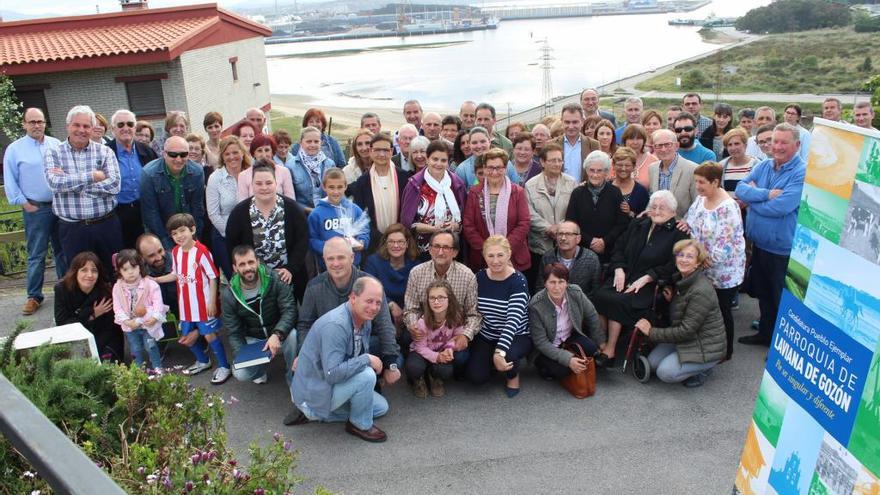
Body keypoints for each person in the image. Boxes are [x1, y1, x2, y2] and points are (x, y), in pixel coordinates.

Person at [591, 191, 689, 361]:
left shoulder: (679, 233)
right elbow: (619, 248)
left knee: (619, 300)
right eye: (654, 207)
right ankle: (602, 343)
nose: (657, 211)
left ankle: (610, 350)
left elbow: (674, 264)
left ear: (673, 212)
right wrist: (619, 268)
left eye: (662, 208)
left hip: (650, 284)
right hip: (625, 276)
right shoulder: (639, 223)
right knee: (599, 295)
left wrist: (649, 277)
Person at [290, 276, 390, 442]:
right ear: (353, 298)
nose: (374, 307)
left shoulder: (363, 317)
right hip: (316, 387)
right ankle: (359, 424)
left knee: (381, 408)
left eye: (378, 302)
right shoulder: (336, 325)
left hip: (330, 384)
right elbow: (332, 374)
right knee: (367, 375)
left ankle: (319, 414)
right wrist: (366, 359)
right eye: (369, 301)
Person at [295, 238, 402, 391]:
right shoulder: (314, 286)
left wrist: (391, 362)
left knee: (397, 359)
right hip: (332, 346)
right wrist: (303, 353)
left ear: (352, 257)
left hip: (364, 343)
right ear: (323, 260)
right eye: (330, 258)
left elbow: (384, 324)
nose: (336, 263)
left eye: (341, 257)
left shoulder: (370, 284)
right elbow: (305, 324)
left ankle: (369, 381)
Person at [736, 124, 806, 346]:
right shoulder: (765, 165)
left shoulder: (802, 172)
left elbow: (782, 207)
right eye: (774, 141)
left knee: (781, 300)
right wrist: (766, 194)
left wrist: (752, 203)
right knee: (764, 296)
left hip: (781, 249)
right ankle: (765, 334)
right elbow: (740, 189)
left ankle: (781, 347)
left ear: (797, 145)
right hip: (760, 244)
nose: (777, 146)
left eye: (783, 142)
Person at [634, 239, 726, 387]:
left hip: (705, 346)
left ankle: (705, 368)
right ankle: (683, 361)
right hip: (687, 339)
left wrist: (650, 332)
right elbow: (681, 313)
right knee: (652, 363)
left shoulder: (700, 291)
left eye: (689, 256)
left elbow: (686, 331)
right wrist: (672, 300)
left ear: (698, 263)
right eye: (680, 255)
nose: (683, 259)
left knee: (664, 373)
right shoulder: (682, 281)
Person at [45, 105, 122, 276]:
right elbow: (54, 183)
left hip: (106, 225)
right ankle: (86, 305)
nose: (81, 130)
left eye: (86, 126)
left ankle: (114, 303)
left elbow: (115, 185)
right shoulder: (53, 152)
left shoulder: (105, 151)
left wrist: (71, 180)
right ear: (68, 126)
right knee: (79, 277)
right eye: (76, 125)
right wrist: (93, 176)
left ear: (92, 128)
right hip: (73, 229)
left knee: (113, 273)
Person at [3, 108, 67, 315]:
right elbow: (10, 179)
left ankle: (65, 290)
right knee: (37, 254)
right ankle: (34, 296)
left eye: (40, 121)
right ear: (24, 124)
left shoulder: (55, 144)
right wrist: (23, 203)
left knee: (62, 251)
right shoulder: (15, 149)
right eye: (32, 122)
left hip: (59, 206)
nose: (37, 125)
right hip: (35, 207)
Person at [153, 213, 230, 384]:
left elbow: (212, 277)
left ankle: (225, 366)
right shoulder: (174, 252)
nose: (179, 236)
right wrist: (157, 279)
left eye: (182, 231)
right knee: (186, 337)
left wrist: (211, 301)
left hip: (203, 305)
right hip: (185, 307)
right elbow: (175, 274)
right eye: (174, 233)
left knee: (210, 336)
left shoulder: (202, 252)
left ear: (193, 229)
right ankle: (204, 361)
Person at [684, 162, 746, 361]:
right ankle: (707, 344)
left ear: (715, 182)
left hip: (722, 270)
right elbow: (690, 219)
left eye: (701, 182)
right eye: (696, 181)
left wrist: (705, 259)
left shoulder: (728, 207)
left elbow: (726, 242)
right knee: (706, 308)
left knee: (721, 310)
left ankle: (725, 351)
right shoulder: (702, 199)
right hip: (701, 265)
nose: (697, 186)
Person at [225, 162, 309, 303]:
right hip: (254, 278)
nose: (264, 187)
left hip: (287, 276)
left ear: (276, 183)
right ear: (252, 185)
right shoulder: (239, 212)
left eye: (268, 182)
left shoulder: (292, 209)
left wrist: (291, 269)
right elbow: (232, 244)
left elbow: (302, 240)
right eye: (258, 183)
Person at [402, 231, 481, 371]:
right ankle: (422, 368)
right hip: (425, 328)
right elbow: (411, 309)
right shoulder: (416, 272)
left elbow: (473, 314)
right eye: (436, 246)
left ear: (455, 252)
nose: (440, 252)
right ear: (430, 249)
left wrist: (465, 335)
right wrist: (413, 326)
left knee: (461, 358)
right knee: (408, 341)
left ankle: (437, 372)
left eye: (446, 247)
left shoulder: (467, 275)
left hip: (451, 331)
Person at [222, 245, 298, 385]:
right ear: (235, 268)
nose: (248, 268)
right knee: (241, 373)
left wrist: (277, 334)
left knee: (293, 335)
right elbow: (233, 332)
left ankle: (293, 376)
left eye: (251, 262)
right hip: (253, 338)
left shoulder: (275, 278)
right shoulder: (229, 294)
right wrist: (243, 357)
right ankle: (260, 369)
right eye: (242, 264)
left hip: (278, 333)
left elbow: (289, 310)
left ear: (257, 262)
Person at [466, 236, 532, 397]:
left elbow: (512, 322)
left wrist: (499, 352)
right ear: (484, 256)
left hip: (516, 335)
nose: (495, 261)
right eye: (491, 256)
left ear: (509, 254)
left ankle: (513, 376)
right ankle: (494, 363)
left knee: (507, 354)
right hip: (488, 334)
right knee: (476, 378)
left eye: (500, 255)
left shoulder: (518, 281)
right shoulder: (479, 277)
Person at [530, 263, 608, 380]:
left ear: (567, 282)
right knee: (563, 370)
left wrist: (602, 343)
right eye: (552, 282)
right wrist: (568, 359)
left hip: (568, 338)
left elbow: (591, 315)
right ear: (545, 283)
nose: (557, 287)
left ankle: (573, 359)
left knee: (591, 348)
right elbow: (541, 342)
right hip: (548, 347)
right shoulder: (536, 305)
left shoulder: (575, 292)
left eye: (561, 282)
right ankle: (542, 366)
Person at [463, 149, 531, 272]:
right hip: (483, 258)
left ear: (505, 169)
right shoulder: (475, 192)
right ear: (484, 168)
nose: (494, 172)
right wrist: (488, 250)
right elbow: (469, 225)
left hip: (513, 257)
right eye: (490, 168)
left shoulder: (518, 192)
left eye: (499, 168)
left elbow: (523, 223)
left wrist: (503, 251)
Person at [139, 136, 206, 250]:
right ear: (164, 154)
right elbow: (151, 214)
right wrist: (167, 245)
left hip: (187, 229)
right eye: (173, 155)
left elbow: (197, 208)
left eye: (183, 154)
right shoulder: (149, 173)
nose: (178, 159)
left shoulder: (197, 172)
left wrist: (193, 237)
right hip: (161, 230)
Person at [54, 252, 123, 362]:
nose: (89, 275)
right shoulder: (62, 289)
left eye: (94, 270)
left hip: (104, 339)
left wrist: (94, 351)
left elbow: (111, 329)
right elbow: (62, 324)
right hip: (75, 338)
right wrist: (92, 314)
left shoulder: (105, 292)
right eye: (84, 270)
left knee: (107, 365)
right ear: (75, 272)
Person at [401, 141, 467, 255]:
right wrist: (433, 229)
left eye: (443, 160)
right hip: (423, 249)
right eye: (435, 159)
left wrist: (456, 225)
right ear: (427, 159)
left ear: (448, 162)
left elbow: (464, 217)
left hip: (452, 248)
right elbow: (407, 223)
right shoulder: (415, 185)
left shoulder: (457, 184)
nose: (439, 164)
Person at [347, 133, 410, 252]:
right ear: (370, 151)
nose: (381, 154)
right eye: (377, 150)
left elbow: (408, 212)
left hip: (401, 242)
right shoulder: (362, 182)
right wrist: (382, 239)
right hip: (374, 245)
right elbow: (362, 217)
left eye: (385, 150)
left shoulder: (404, 178)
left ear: (391, 151)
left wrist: (396, 238)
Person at [565, 150, 630, 263]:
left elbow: (622, 223)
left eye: (599, 171)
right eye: (591, 170)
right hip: (582, 251)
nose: (595, 174)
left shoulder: (615, 192)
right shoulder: (577, 193)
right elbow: (571, 222)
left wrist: (604, 241)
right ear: (586, 170)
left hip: (609, 251)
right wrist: (590, 241)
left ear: (606, 172)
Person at [525, 143, 577, 282]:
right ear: (542, 162)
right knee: (541, 281)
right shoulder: (530, 185)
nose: (557, 163)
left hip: (566, 244)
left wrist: (560, 228)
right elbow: (529, 213)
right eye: (552, 160)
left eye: (559, 160)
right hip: (540, 245)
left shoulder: (571, 182)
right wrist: (548, 228)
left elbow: (574, 210)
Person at [406, 280, 467, 398]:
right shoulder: (422, 322)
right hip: (421, 352)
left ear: (449, 299)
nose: (436, 301)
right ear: (427, 301)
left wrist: (449, 349)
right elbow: (420, 348)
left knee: (446, 371)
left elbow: (456, 337)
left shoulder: (456, 317)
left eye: (441, 297)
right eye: (432, 298)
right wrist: (437, 357)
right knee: (413, 367)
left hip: (441, 350)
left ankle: (435, 377)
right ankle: (418, 379)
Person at [107, 109, 157, 249]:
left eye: (130, 124)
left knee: (148, 251)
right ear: (113, 129)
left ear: (135, 128)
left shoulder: (147, 151)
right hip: (118, 214)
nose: (126, 128)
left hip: (145, 211)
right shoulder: (105, 153)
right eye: (120, 125)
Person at [112, 249, 166, 371]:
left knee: (150, 346)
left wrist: (154, 317)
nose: (130, 272)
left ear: (139, 267)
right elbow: (117, 307)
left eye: (133, 267)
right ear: (119, 271)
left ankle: (157, 367)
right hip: (131, 325)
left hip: (147, 323)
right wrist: (126, 321)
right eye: (125, 269)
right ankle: (139, 369)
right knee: (135, 348)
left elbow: (158, 303)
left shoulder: (150, 284)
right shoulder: (118, 287)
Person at [206, 136, 250, 280]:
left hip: (251, 234)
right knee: (235, 278)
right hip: (224, 235)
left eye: (235, 152)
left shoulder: (251, 173)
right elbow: (213, 214)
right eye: (227, 154)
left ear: (242, 153)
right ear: (222, 157)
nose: (232, 157)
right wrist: (232, 234)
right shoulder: (215, 178)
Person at [308, 168, 370, 269]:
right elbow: (311, 239)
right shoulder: (316, 214)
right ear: (324, 187)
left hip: (352, 265)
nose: (336, 192)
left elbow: (364, 231)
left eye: (340, 187)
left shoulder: (355, 209)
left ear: (345, 186)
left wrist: (362, 242)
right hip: (328, 267)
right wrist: (329, 247)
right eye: (331, 187)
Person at [363, 224, 419, 329]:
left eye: (400, 242)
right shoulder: (373, 262)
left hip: (409, 316)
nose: (396, 246)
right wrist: (391, 304)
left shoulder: (416, 266)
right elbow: (369, 291)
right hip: (379, 313)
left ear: (407, 244)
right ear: (386, 243)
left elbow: (417, 298)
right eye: (391, 242)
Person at [535, 221, 602, 296]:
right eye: (560, 234)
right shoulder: (547, 257)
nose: (563, 238)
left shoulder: (591, 259)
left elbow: (596, 290)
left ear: (578, 238)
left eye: (568, 234)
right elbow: (540, 287)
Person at [647, 129, 698, 219]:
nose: (663, 149)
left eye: (667, 144)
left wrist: (686, 221)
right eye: (659, 146)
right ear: (654, 148)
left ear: (677, 146)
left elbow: (698, 203)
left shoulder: (693, 169)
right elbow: (653, 198)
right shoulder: (652, 168)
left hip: (680, 225)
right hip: (657, 223)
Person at [286, 126, 337, 214]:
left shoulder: (330, 164)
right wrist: (310, 211)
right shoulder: (291, 166)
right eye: (309, 142)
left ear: (321, 142)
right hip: (301, 215)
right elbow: (290, 199)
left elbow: (335, 191)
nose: (312, 145)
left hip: (326, 213)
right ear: (301, 143)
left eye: (316, 141)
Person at [553, 103, 601, 183]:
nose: (571, 126)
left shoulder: (593, 145)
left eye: (575, 122)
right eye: (567, 122)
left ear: (582, 122)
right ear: (562, 122)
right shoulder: (552, 145)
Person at [136, 233, 177, 315]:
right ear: (141, 257)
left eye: (160, 251)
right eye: (151, 255)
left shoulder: (178, 261)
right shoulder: (138, 275)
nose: (159, 257)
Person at [719, 128, 759, 196]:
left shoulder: (757, 165)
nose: (733, 148)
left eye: (737, 144)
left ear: (745, 145)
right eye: (730, 145)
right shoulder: (721, 166)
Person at [612, 146, 650, 217]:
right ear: (613, 165)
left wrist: (630, 213)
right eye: (620, 165)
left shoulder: (641, 191)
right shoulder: (605, 186)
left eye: (627, 165)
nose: (623, 169)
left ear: (634, 166)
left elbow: (645, 219)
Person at [620, 124, 656, 188]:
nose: (635, 142)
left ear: (644, 141)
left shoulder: (653, 161)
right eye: (631, 138)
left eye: (639, 138)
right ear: (625, 140)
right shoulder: (617, 159)